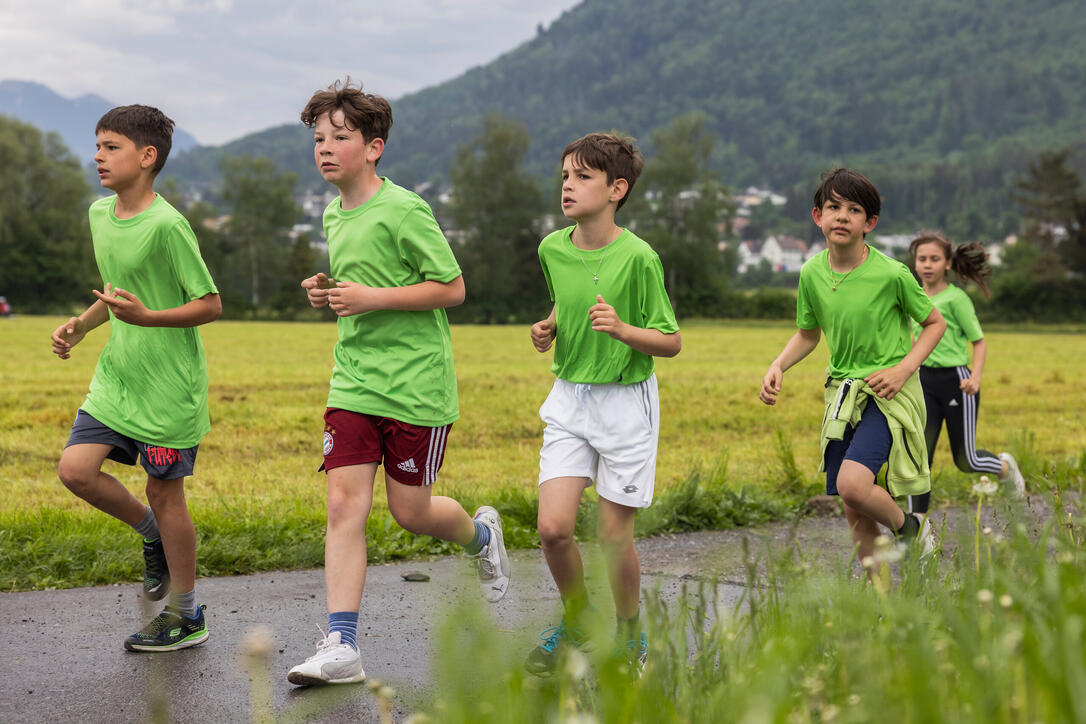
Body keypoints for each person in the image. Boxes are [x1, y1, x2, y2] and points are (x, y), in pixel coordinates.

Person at [287, 79, 510, 687]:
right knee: (342, 506)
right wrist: (328, 294)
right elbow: (359, 290)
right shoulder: (334, 210)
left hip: (416, 387)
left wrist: (372, 297)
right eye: (318, 138)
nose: (325, 148)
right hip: (354, 382)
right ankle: (342, 645)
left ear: (374, 146)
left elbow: (452, 288)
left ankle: (482, 536)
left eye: (340, 137)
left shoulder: (406, 209)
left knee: (410, 513)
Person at [50, 105, 221, 651]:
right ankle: (149, 534)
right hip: (118, 379)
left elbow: (211, 304)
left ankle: (187, 614)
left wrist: (150, 318)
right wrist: (80, 325)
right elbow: (117, 291)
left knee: (165, 493)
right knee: (75, 471)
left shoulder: (169, 225)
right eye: (97, 145)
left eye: (111, 147)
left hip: (168, 389)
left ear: (147, 158)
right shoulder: (100, 214)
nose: (97, 156)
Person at [526, 132, 681, 677]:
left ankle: (631, 635)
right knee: (554, 529)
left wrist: (622, 329)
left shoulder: (640, 258)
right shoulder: (551, 247)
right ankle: (577, 622)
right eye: (565, 175)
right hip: (569, 396)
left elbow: (670, 340)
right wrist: (551, 325)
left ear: (617, 189)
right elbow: (566, 300)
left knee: (614, 537)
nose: (568, 185)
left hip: (625, 403)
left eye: (582, 176)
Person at [759, 168, 946, 567]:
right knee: (853, 506)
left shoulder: (892, 274)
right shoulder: (811, 273)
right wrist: (779, 365)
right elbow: (808, 334)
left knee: (852, 485)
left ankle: (912, 529)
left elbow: (935, 324)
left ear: (870, 223)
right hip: (843, 396)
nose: (842, 216)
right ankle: (878, 603)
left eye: (854, 209)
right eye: (833, 207)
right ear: (817, 216)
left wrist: (903, 370)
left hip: (887, 394)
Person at [907, 232, 1025, 515]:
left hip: (957, 382)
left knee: (966, 459)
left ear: (947, 263)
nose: (927, 264)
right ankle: (917, 523)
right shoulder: (912, 296)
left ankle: (1006, 469)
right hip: (923, 382)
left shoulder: (956, 299)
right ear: (915, 262)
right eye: (922, 258)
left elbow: (979, 341)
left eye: (934, 259)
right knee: (919, 459)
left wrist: (976, 378)